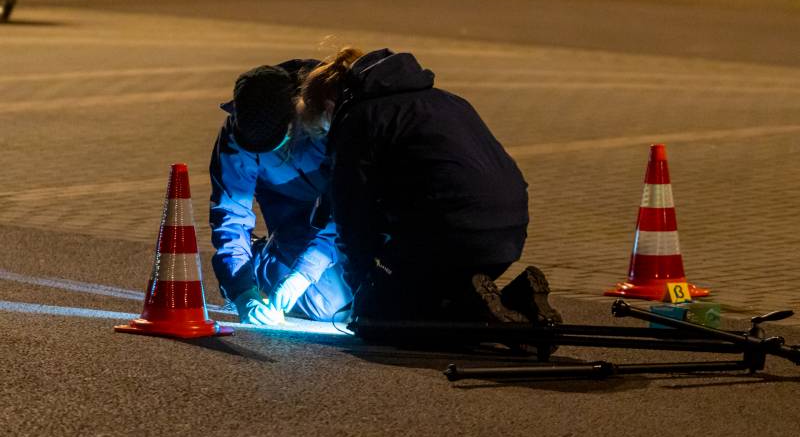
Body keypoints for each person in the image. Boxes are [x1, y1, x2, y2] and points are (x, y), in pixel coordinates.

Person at [296, 47, 561, 325]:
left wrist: (364, 288)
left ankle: (474, 314)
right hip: (507, 237)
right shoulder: (449, 100)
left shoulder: (358, 119)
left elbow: (352, 220)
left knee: (379, 319)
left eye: (324, 129)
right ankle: (518, 299)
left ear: (328, 107)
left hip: (450, 238)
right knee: (427, 287)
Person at [209, 60, 353, 325]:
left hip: (347, 218)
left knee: (375, 296)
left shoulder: (330, 113)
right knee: (331, 307)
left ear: (296, 113)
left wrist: (307, 270)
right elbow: (230, 218)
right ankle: (261, 260)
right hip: (295, 219)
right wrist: (242, 291)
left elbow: (349, 205)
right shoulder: (235, 139)